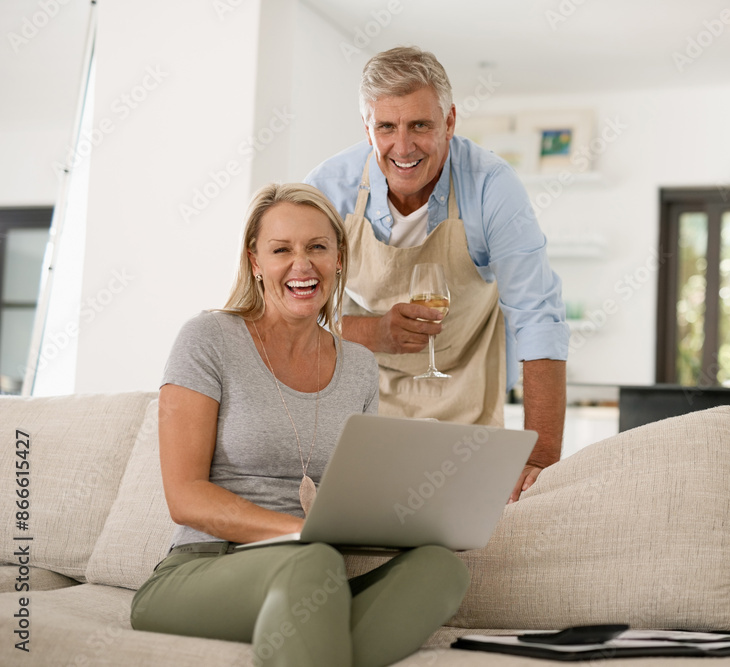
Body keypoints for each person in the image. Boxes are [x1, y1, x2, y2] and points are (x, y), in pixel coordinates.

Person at [130, 183, 470, 667]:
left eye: (317, 247)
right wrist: (302, 533)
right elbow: (184, 497)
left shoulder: (357, 365)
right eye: (281, 250)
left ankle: (313, 641)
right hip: (205, 568)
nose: (302, 265)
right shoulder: (208, 339)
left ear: (338, 259)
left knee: (440, 569)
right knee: (313, 562)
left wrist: (424, 517)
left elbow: (357, 495)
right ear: (255, 261)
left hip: (312, 576)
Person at [305, 46, 569, 502]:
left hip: (467, 389)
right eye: (386, 126)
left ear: (449, 122)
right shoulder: (328, 190)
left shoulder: (491, 187)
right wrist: (373, 331)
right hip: (367, 399)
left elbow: (537, 318)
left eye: (420, 125)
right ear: (367, 128)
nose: (402, 147)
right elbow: (291, 317)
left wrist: (540, 457)